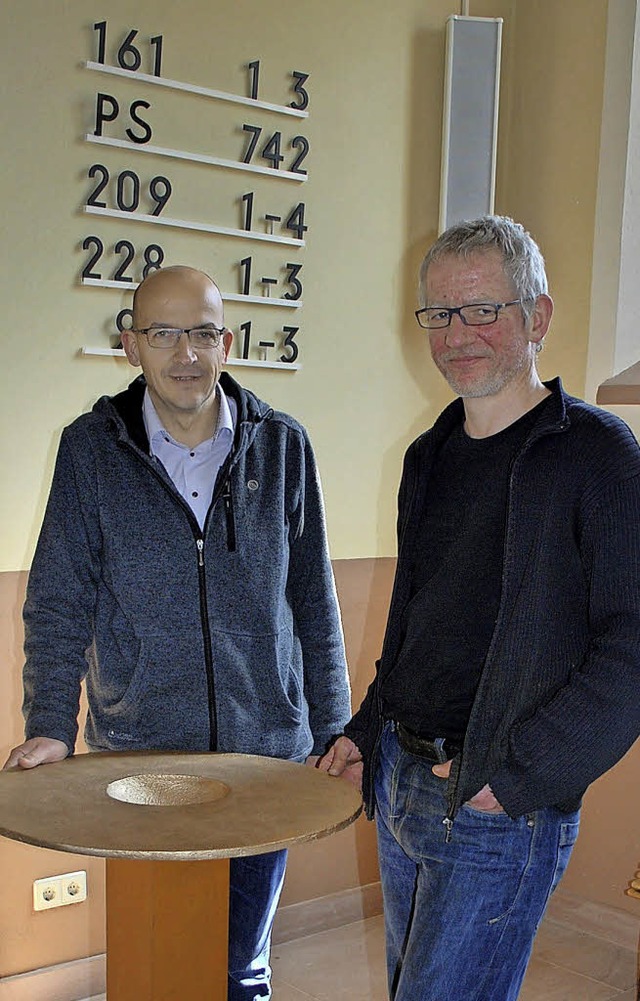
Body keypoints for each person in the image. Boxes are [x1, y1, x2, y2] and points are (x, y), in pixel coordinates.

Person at [4, 265, 351, 1001]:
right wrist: (50, 726)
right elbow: (59, 601)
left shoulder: (284, 447)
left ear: (227, 341)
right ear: (132, 344)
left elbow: (314, 602)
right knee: (159, 960)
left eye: (201, 333)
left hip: (264, 762)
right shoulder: (90, 451)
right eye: (164, 333)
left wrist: (335, 728)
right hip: (140, 766)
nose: (185, 353)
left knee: (239, 967)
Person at [319, 216, 640, 1001]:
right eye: (440, 313)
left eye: (483, 310)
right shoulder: (428, 455)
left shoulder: (597, 455)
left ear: (538, 317)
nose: (458, 334)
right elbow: (415, 620)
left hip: (498, 800)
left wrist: (520, 772)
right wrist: (369, 729)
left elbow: (633, 640)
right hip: (402, 775)